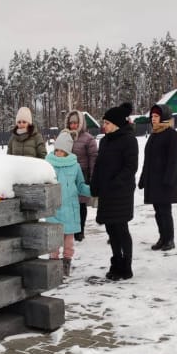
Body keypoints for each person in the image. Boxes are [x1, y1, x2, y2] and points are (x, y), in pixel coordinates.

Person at [91, 102, 138, 282]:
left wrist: (115, 183)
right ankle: (116, 261)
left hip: (121, 193)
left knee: (121, 228)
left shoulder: (129, 140)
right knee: (111, 229)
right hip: (106, 192)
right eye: (104, 123)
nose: (104, 126)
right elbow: (99, 166)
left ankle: (126, 265)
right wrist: (95, 184)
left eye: (107, 123)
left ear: (117, 124)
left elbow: (130, 167)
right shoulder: (105, 141)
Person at [139, 101, 177, 253]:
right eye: (152, 116)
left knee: (165, 211)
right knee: (158, 211)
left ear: (164, 117)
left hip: (165, 181)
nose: (153, 118)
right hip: (153, 180)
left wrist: (169, 180)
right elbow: (147, 159)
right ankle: (162, 237)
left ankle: (169, 239)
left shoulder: (172, 135)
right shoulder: (154, 135)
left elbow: (173, 160)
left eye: (156, 116)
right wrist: (143, 178)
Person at [47, 130, 91, 277]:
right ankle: (53, 265)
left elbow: (80, 185)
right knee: (54, 241)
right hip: (54, 210)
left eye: (61, 150)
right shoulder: (48, 164)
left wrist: (93, 191)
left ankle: (66, 263)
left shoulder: (75, 165)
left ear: (67, 151)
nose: (58, 153)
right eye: (56, 150)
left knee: (69, 242)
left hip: (71, 209)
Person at [71, 114, 100, 238]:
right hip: (69, 176)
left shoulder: (88, 139)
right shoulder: (66, 136)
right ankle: (71, 229)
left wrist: (93, 177)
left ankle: (80, 230)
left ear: (81, 124)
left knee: (81, 204)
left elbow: (93, 158)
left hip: (82, 175)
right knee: (71, 204)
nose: (73, 125)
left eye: (76, 123)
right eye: (71, 123)